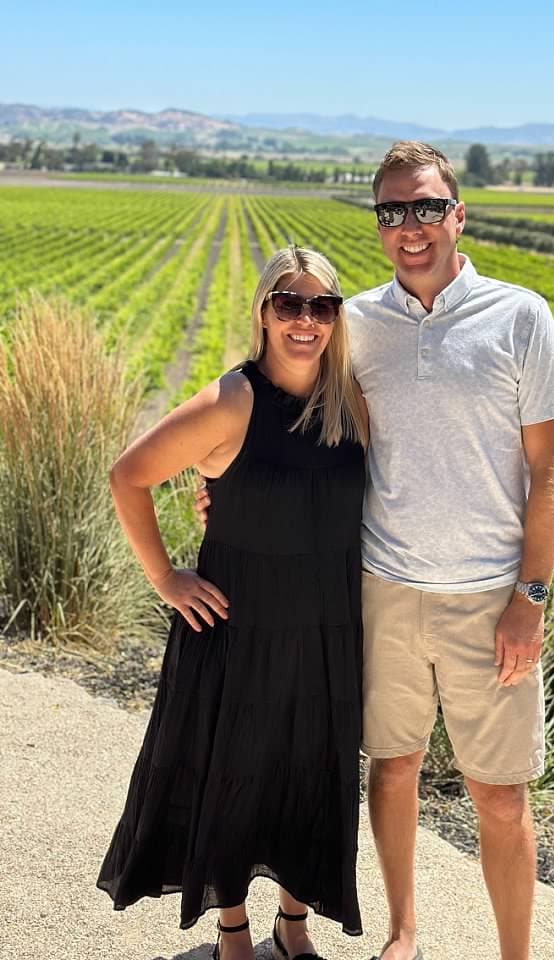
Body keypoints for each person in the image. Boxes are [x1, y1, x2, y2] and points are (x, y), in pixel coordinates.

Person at [198, 141, 554, 960]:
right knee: (391, 770)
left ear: (458, 215)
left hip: (492, 599)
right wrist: (221, 487)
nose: (411, 225)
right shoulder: (354, 324)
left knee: (500, 798)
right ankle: (403, 935)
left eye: (427, 206)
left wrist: (532, 597)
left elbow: (551, 467)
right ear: (379, 224)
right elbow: (287, 415)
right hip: (381, 591)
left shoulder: (521, 316)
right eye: (393, 211)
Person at [97, 245, 369, 960]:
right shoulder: (233, 399)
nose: (305, 320)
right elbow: (128, 476)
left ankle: (294, 924)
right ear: (264, 313)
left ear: (336, 317)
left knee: (313, 775)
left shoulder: (353, 400)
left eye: (321, 306)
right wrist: (166, 578)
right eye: (289, 303)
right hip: (238, 623)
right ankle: (233, 930)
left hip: (326, 622)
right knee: (232, 775)